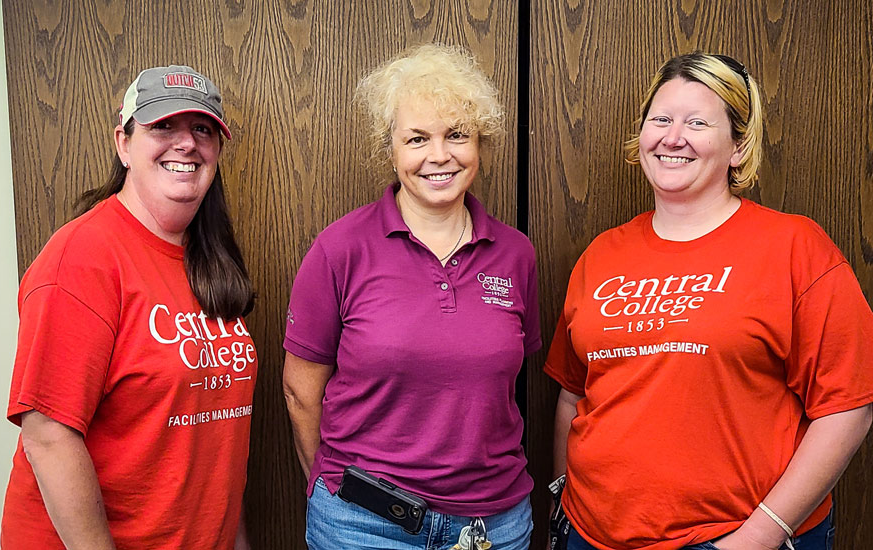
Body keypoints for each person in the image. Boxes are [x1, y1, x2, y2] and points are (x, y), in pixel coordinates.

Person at [546, 52, 873, 550]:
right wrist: (562, 510)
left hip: (736, 538)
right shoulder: (602, 255)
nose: (673, 137)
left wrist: (760, 536)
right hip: (591, 535)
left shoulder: (795, 248)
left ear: (738, 146)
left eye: (697, 122)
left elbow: (849, 406)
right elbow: (573, 394)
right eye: (661, 119)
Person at [282, 43, 541, 550]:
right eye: (417, 138)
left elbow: (505, 387)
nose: (439, 155)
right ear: (392, 150)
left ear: (480, 145)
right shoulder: (339, 249)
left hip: (493, 526)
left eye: (457, 135)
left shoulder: (516, 254)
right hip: (362, 525)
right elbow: (299, 391)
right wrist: (327, 490)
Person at [1, 65, 257, 550]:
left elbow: (214, 440)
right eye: (163, 126)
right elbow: (48, 438)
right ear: (123, 143)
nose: (186, 144)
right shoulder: (83, 257)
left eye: (202, 130)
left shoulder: (208, 260)